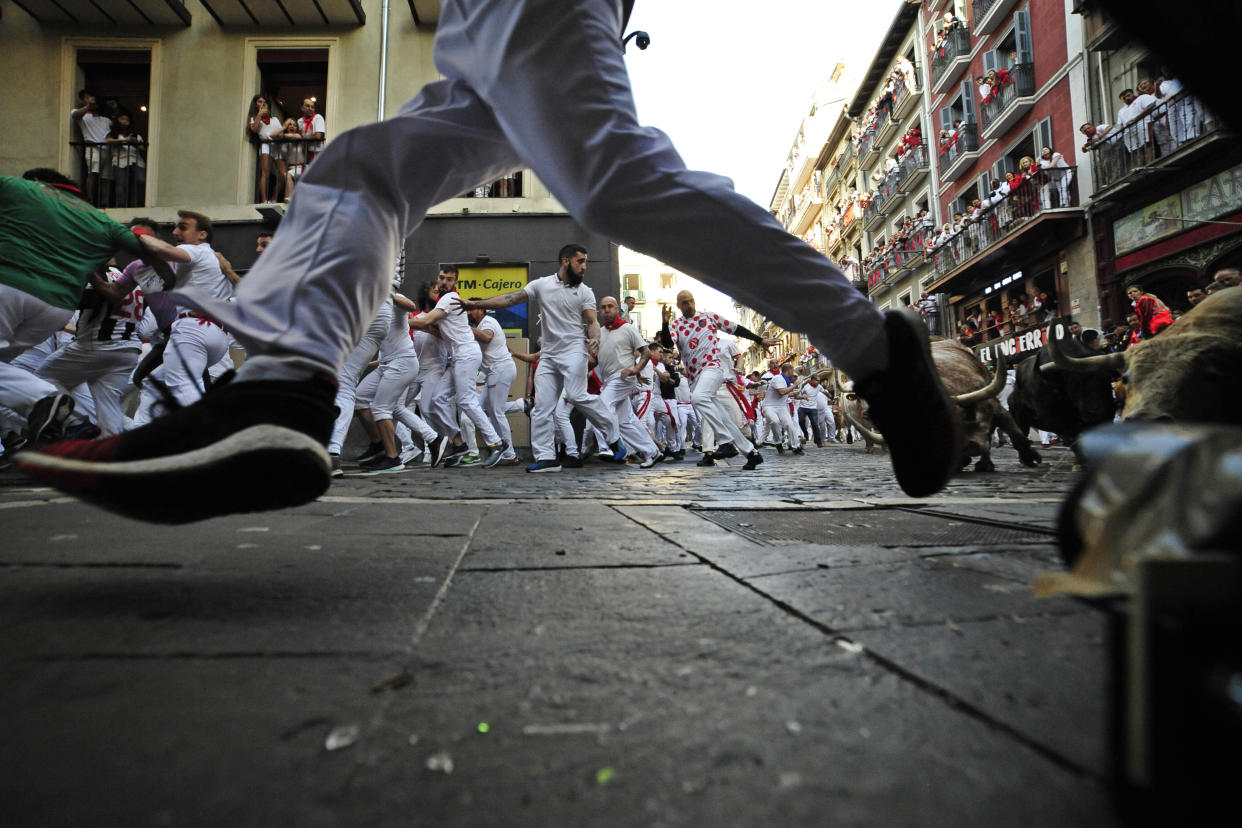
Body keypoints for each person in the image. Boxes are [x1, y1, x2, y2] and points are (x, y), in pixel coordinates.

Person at [20, 0, 964, 522]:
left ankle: (877, 346)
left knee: (606, 178)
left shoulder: (571, 295)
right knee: (363, 172)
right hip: (479, 16)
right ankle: (282, 393)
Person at [1, 170, 178, 445]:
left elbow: (103, 297)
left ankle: (50, 414)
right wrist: (167, 274)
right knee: (108, 406)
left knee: (44, 379)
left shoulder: (22, 189)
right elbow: (148, 250)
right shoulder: (101, 221)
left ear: (36, 181)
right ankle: (96, 439)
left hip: (12, 287)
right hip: (60, 308)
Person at [456, 244, 623, 473]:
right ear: (565, 261)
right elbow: (509, 299)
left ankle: (613, 435)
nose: (584, 266)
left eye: (585, 262)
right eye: (580, 261)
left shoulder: (585, 291)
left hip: (574, 350)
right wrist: (476, 304)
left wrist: (595, 340)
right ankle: (547, 457)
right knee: (541, 408)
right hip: (549, 354)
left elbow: (592, 322)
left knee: (575, 394)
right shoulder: (541, 285)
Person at [661, 293, 776, 469]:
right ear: (679, 306)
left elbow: (735, 328)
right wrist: (665, 322)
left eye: (691, 301)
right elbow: (668, 343)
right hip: (695, 377)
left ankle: (725, 442)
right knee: (722, 416)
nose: (689, 305)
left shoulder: (709, 317)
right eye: (685, 303)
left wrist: (760, 340)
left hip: (712, 368)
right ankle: (751, 453)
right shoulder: (676, 325)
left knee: (698, 399)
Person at [595, 296, 660, 468]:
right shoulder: (600, 333)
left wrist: (635, 370)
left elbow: (646, 353)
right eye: (603, 307)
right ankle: (652, 451)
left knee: (602, 405)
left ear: (617, 309)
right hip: (609, 381)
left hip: (623, 378)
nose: (606, 310)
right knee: (625, 422)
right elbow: (594, 361)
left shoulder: (628, 329)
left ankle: (611, 445)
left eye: (610, 306)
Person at [70, 91, 112, 205]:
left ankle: (104, 203)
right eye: (88, 98)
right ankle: (90, 200)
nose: (91, 100)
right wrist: (89, 106)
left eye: (93, 98)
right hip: (93, 148)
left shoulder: (105, 120)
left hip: (107, 151)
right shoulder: (83, 117)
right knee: (93, 174)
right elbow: (75, 115)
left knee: (105, 179)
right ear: (83, 100)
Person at [248, 93, 285, 203]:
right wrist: (259, 115)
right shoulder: (254, 118)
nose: (263, 104)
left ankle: (273, 198)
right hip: (265, 145)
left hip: (276, 145)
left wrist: (277, 135)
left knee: (283, 174)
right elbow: (254, 129)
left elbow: (281, 134)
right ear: (255, 105)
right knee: (265, 173)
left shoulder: (275, 119)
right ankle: (264, 200)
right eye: (260, 102)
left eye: (264, 102)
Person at [107, 112, 145, 209]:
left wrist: (134, 142)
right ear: (118, 120)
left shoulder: (135, 135)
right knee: (121, 183)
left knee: (140, 181)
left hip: (135, 159)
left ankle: (139, 203)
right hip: (120, 160)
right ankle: (121, 205)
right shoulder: (113, 134)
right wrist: (124, 140)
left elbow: (142, 148)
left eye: (127, 120)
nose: (125, 121)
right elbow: (108, 141)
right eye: (122, 119)